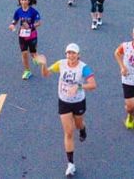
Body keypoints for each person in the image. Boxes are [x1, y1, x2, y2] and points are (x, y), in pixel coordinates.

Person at [40, 43, 97, 177]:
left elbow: (93, 85)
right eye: (68, 53)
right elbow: (46, 74)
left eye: (73, 53)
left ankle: (82, 129)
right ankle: (70, 164)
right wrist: (43, 64)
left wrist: (78, 87)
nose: (71, 55)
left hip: (78, 102)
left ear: (78, 55)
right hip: (64, 101)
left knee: (78, 124)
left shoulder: (84, 68)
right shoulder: (61, 64)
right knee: (69, 132)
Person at [8, 0, 42, 80]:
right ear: (20, 1)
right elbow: (15, 20)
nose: (23, 1)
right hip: (22, 35)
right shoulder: (18, 11)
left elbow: (39, 23)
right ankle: (27, 71)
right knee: (24, 53)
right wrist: (12, 25)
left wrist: (30, 26)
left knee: (33, 53)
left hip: (32, 35)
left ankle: (35, 57)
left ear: (28, 1)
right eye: (22, 0)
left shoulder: (33, 12)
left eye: (25, 0)